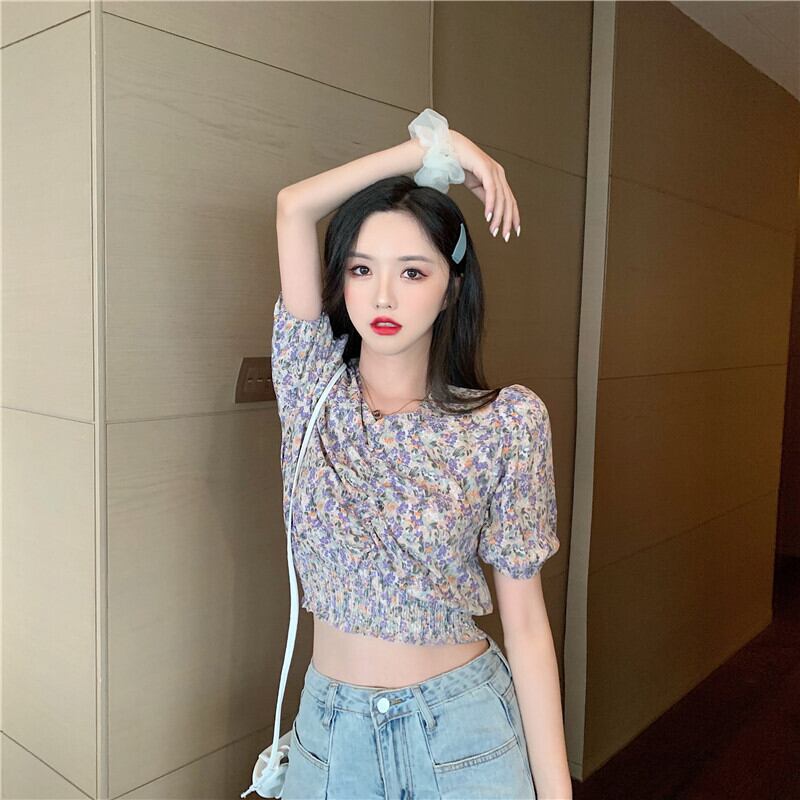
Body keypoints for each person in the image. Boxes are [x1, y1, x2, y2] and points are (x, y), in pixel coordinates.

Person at [270, 111, 571, 799]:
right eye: (361, 269)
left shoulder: (506, 423)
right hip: (332, 741)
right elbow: (294, 207)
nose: (382, 295)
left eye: (412, 271)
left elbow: (525, 623)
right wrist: (435, 150)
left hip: (463, 734)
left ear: (451, 286)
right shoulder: (311, 389)